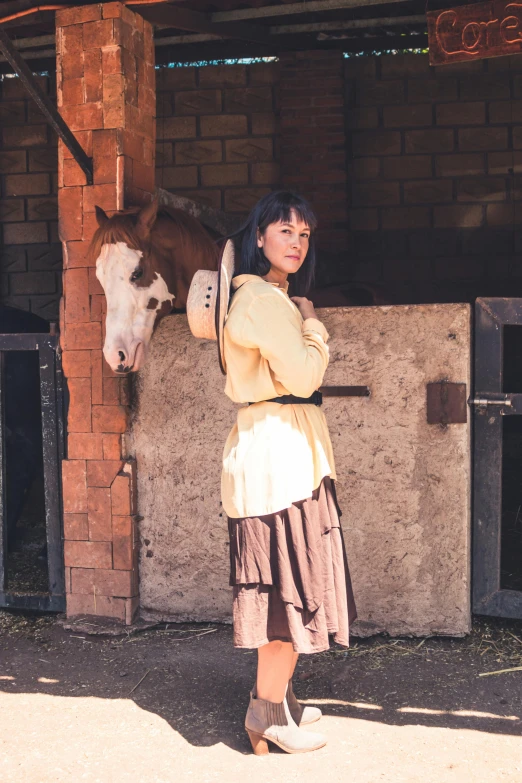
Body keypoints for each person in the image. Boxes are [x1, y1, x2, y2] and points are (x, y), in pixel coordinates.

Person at [221, 191, 357, 755]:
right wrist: (314, 324)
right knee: (287, 598)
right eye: (284, 232)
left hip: (283, 456)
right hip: (279, 463)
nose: (297, 243)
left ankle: (281, 701)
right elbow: (302, 377)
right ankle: (267, 718)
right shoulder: (265, 301)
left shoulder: (264, 297)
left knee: (290, 590)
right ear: (258, 239)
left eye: (304, 235)